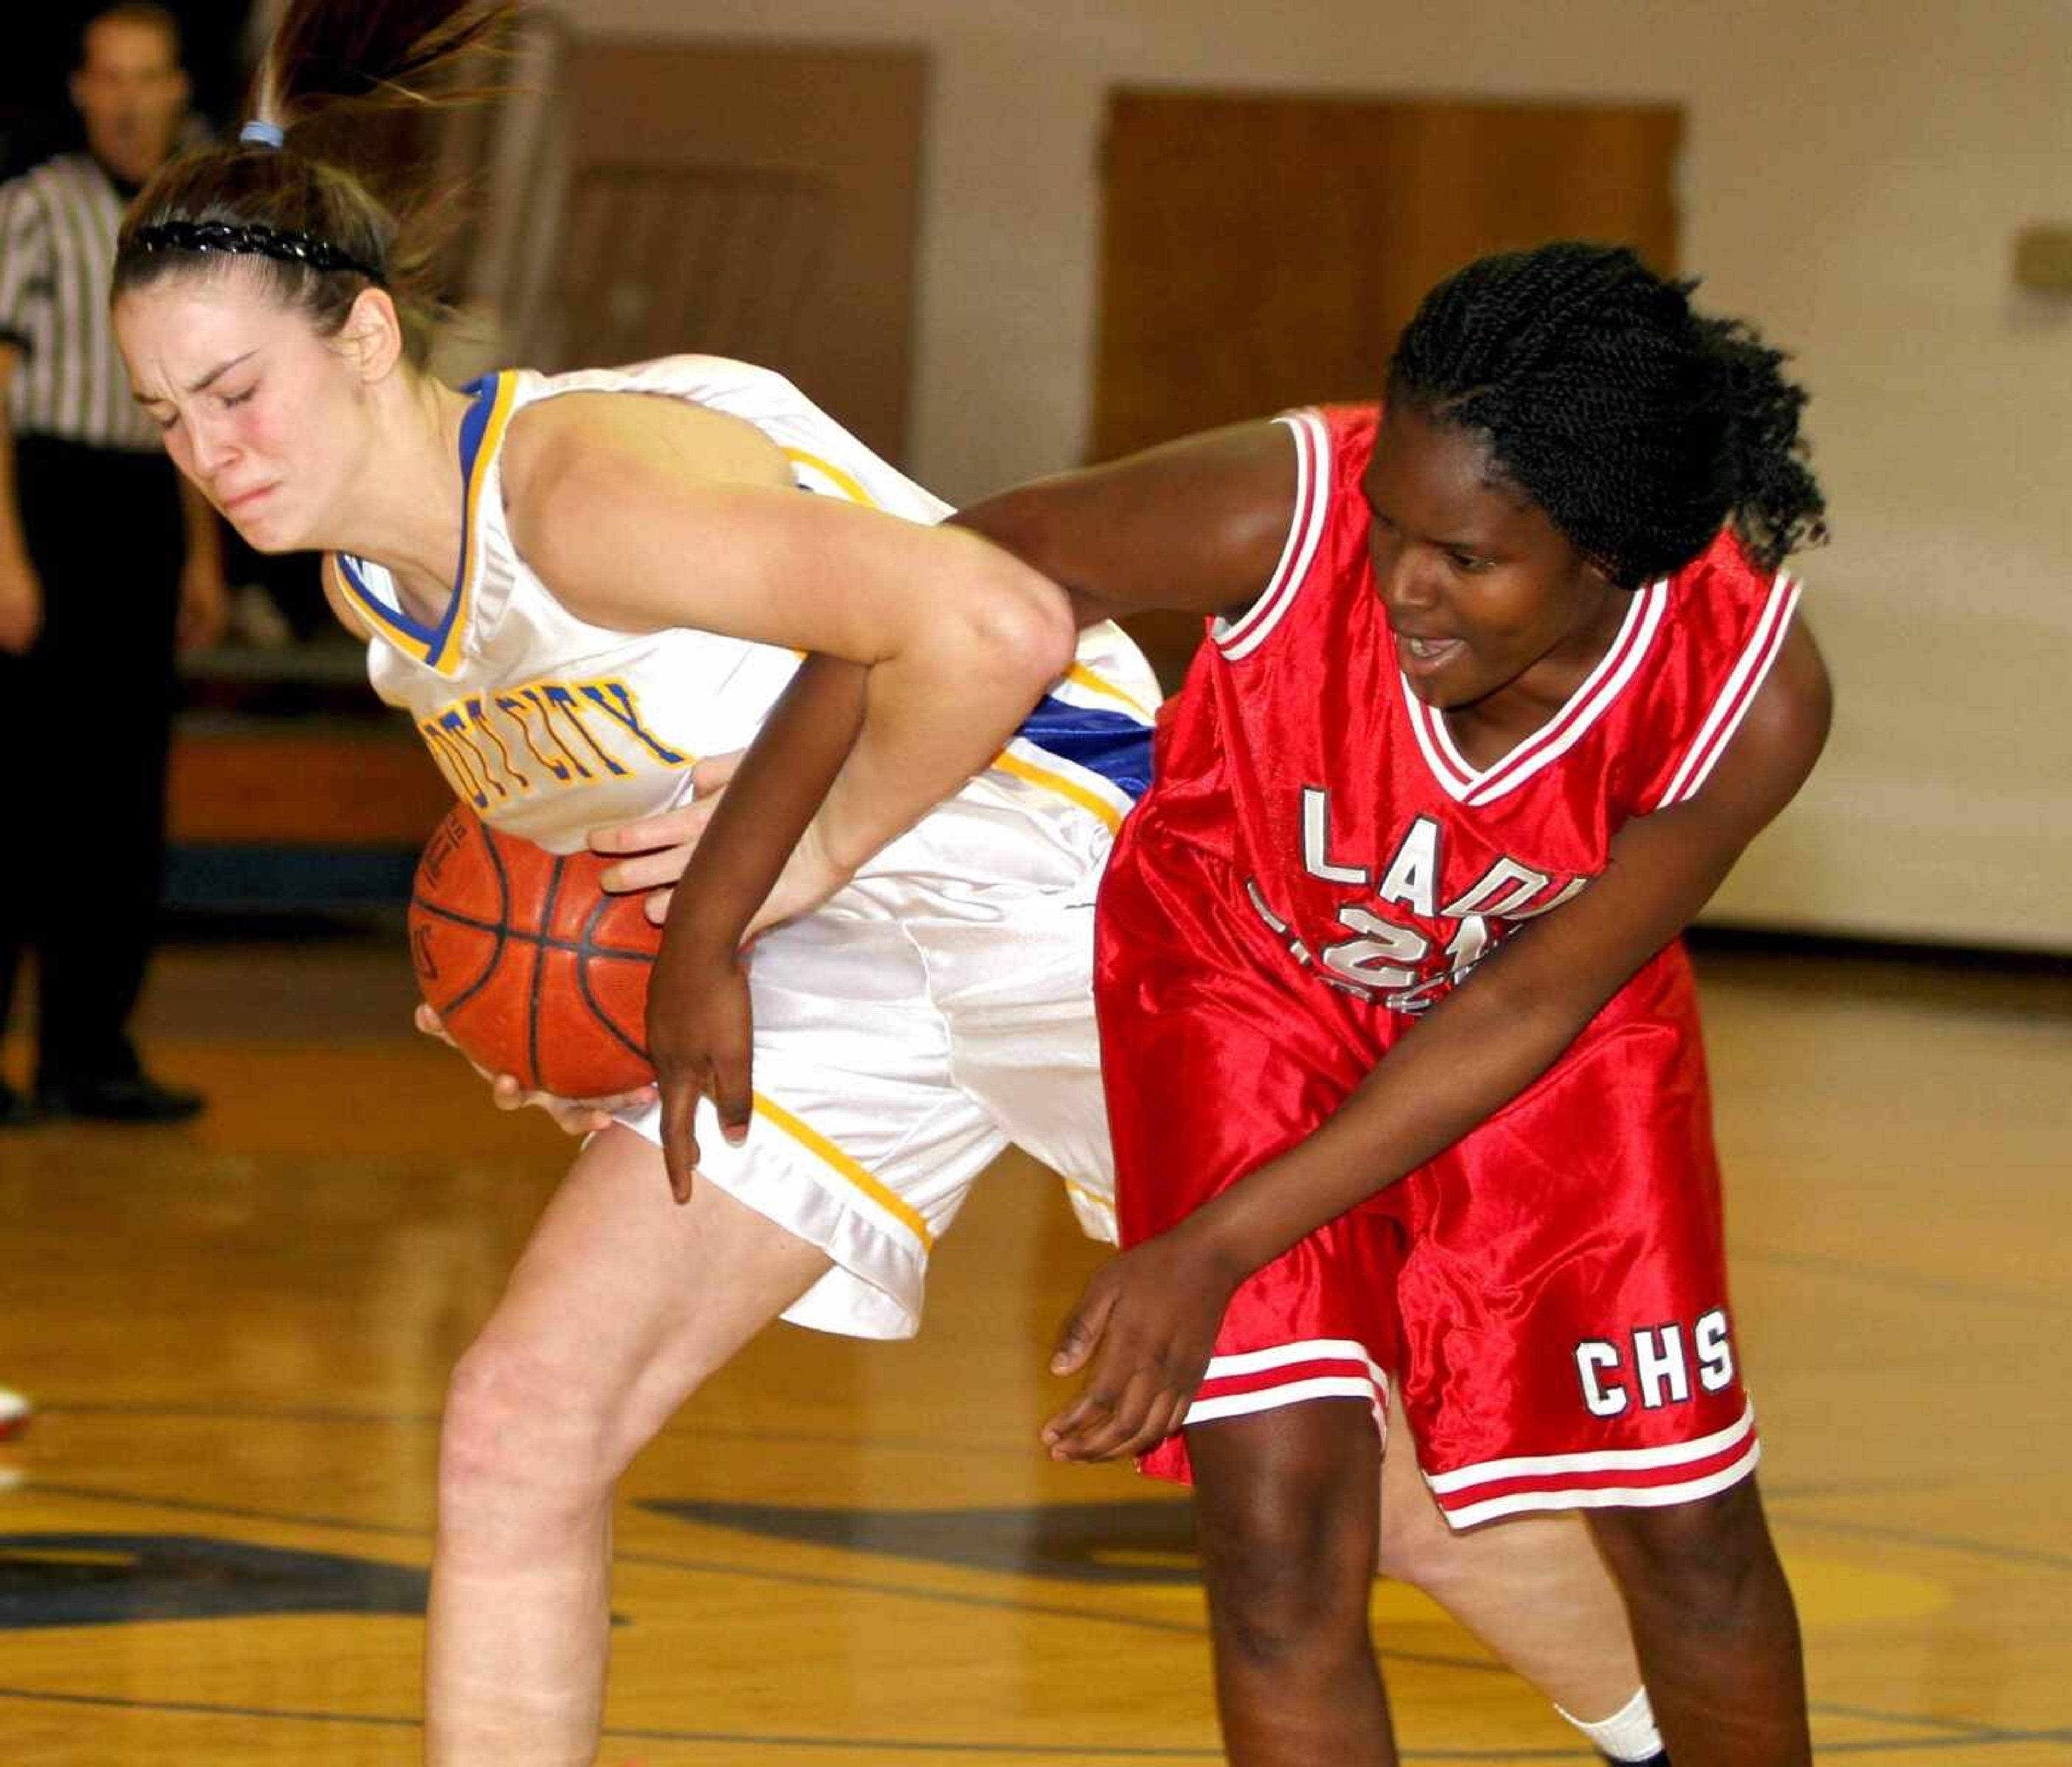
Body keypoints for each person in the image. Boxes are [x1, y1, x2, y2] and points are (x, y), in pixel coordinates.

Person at [108, 4, 1676, 1757]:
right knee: (518, 1420)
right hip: (842, 951)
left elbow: (996, 621)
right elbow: (587, 851)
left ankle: (1672, 1730)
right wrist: (566, 1011)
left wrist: (792, 864)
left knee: (1358, 1463)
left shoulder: (582, 491)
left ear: (369, 330)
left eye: (237, 391)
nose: (210, 449)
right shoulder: (374, 594)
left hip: (1069, 881)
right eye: (169, 415)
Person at [655, 243, 1832, 1766]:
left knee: (1691, 1535)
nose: (1401, 580)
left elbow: (1535, 1001)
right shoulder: (1279, 508)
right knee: (1276, 1546)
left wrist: (1208, 1247)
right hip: (1243, 989)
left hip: (1550, 1041)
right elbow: (928, 581)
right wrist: (710, 922)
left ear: (1609, 553)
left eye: (1466, 558)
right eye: (1391, 523)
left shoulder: (1752, 693)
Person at [0, 1, 224, 1126]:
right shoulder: (34, 211)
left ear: (181, 88)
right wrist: (4, 553)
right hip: (43, 502)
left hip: (145, 508)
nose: (131, 101)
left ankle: (93, 1052)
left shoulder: (193, 227)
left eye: (151, 79)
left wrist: (200, 554)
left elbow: (187, 408)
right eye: (111, 79)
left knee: (125, 802)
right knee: (20, 798)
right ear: (83, 90)